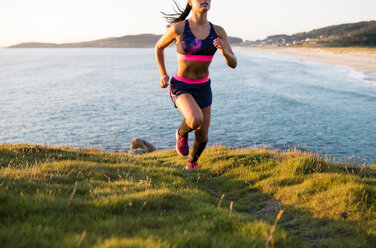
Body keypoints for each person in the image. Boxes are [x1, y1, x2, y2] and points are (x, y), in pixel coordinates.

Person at [155, 0, 237, 169]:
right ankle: (181, 133)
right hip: (181, 86)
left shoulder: (218, 31)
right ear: (190, 2)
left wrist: (224, 51)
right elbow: (159, 47)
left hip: (204, 87)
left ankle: (192, 164)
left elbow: (233, 63)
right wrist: (163, 74)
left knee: (203, 133)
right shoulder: (179, 28)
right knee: (195, 119)